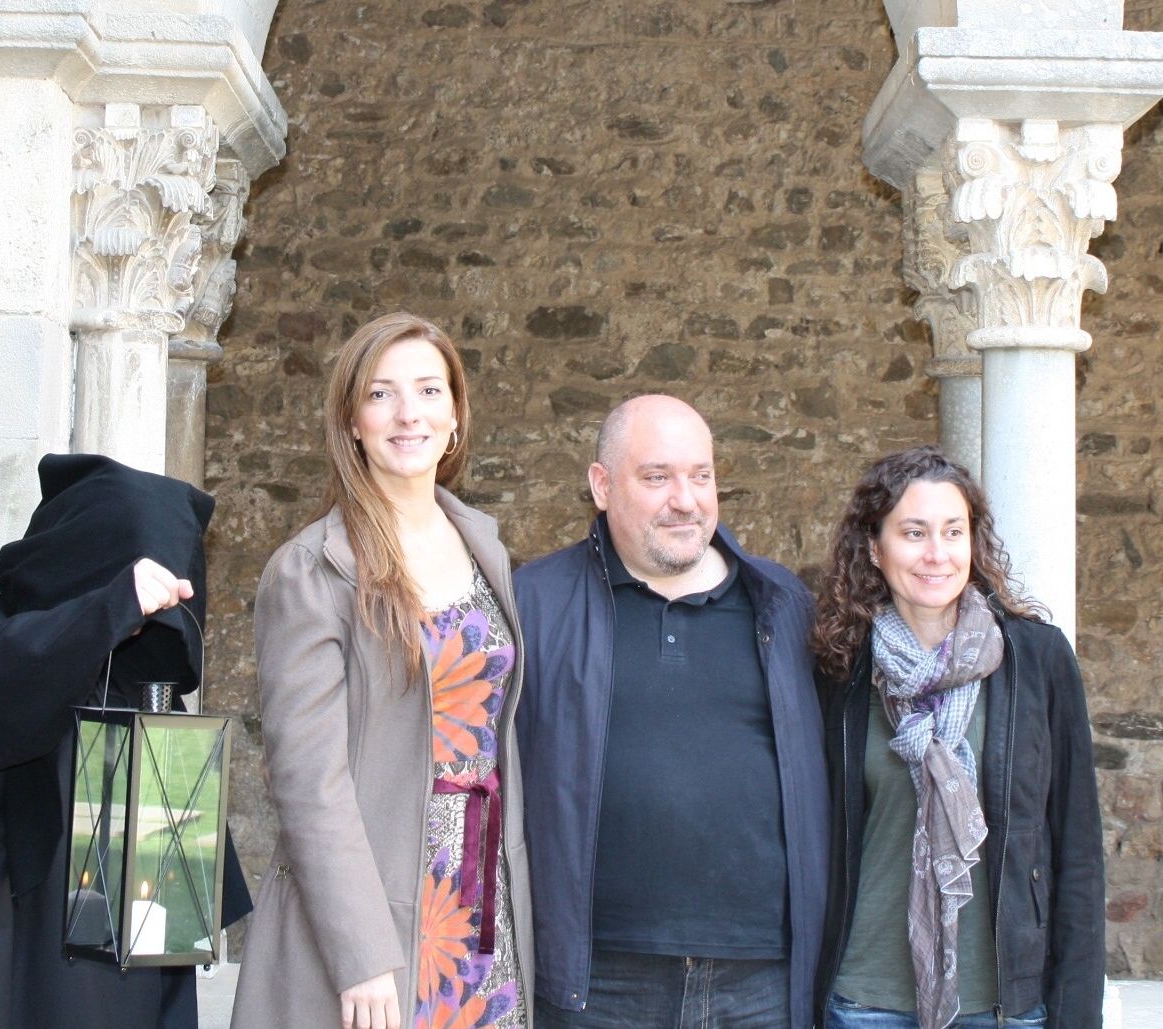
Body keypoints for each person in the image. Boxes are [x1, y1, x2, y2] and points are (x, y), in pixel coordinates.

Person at [231, 312, 533, 1029]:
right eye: (381, 394)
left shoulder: (483, 545)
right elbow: (308, 781)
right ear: (351, 421)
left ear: (456, 416)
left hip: (479, 898)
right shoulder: (310, 570)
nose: (408, 414)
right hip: (373, 910)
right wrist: (360, 951)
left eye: (430, 391)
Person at [513, 394, 829, 1029]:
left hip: (761, 979)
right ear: (601, 486)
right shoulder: (534, 605)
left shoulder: (784, 605)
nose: (685, 498)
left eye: (701, 475)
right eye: (657, 477)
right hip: (597, 981)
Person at [0, 453, 252, 1029]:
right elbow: (6, 685)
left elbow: (174, 888)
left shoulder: (144, 689)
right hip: (13, 961)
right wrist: (107, 612)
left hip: (127, 985)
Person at [811, 445, 1104, 1029]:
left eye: (953, 531)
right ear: (875, 546)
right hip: (865, 1000)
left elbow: (1077, 848)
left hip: (1002, 1006)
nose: (936, 554)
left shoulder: (1035, 659)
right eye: (913, 532)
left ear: (974, 543)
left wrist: (1077, 1010)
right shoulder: (838, 668)